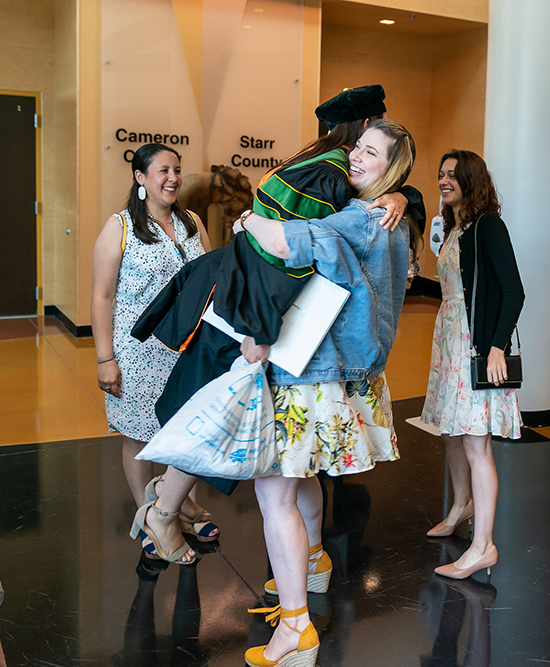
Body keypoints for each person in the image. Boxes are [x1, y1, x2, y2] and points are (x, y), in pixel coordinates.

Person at [139, 119, 416, 667]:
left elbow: (283, 240)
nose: (356, 159)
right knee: (301, 478)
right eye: (357, 147)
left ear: (393, 171)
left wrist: (247, 219)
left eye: (372, 155)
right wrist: (405, 196)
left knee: (274, 495)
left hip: (313, 375)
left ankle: (296, 630)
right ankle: (312, 565)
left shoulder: (362, 217)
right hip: (338, 375)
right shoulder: (388, 217)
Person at [90, 143, 217, 562]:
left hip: (187, 347)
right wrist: (105, 358)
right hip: (138, 352)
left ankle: (180, 507)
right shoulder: (120, 226)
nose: (173, 178)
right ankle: (148, 514)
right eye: (162, 170)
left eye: (177, 170)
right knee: (141, 437)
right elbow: (102, 296)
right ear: (141, 178)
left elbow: (210, 278)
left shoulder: (192, 221)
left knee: (187, 432)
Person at [420, 150, 524, 579]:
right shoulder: (452, 227)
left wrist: (497, 346)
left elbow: (513, 291)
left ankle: (483, 545)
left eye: (452, 175)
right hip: (449, 336)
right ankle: (460, 507)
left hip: (474, 343)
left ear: (470, 179)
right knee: (452, 433)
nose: (444, 180)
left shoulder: (488, 226)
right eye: (441, 173)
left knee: (476, 443)